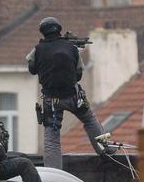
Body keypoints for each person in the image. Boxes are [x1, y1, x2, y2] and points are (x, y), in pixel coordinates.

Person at [26, 17, 111, 169]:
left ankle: (54, 174)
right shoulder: (71, 48)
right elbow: (79, 73)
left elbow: (32, 69)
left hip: (51, 101)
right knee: (89, 119)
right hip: (74, 97)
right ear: (59, 29)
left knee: (52, 136)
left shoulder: (38, 50)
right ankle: (105, 150)